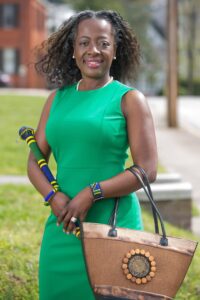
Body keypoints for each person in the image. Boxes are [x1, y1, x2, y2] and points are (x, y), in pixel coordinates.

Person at [28, 10, 158, 300]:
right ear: (73, 50)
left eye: (103, 43)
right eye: (84, 43)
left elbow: (146, 170)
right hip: (62, 228)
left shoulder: (129, 99)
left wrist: (91, 193)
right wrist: (52, 196)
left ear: (116, 50)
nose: (93, 50)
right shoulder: (57, 99)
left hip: (113, 228)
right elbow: (35, 161)